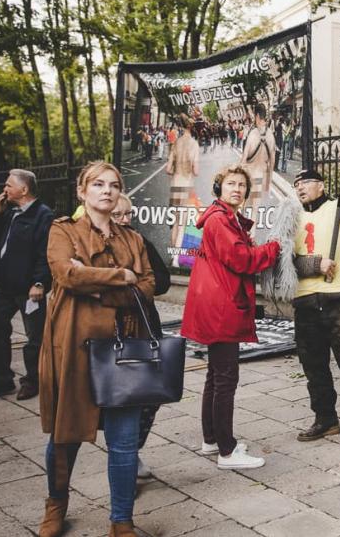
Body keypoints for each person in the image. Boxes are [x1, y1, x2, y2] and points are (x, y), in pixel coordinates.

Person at [38, 161, 155, 537]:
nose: (107, 190)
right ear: (82, 191)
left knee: (123, 442)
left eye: (114, 185)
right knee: (65, 434)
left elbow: (149, 286)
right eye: (98, 184)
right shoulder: (63, 230)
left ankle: (122, 521)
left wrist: (95, 281)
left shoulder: (133, 239)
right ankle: (55, 506)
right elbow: (66, 274)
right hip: (74, 346)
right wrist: (121, 277)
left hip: (124, 347)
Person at [181, 164, 280, 470]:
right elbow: (242, 260)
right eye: (231, 184)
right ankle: (227, 450)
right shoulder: (220, 220)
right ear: (220, 188)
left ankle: (211, 440)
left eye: (241, 186)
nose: (237, 189)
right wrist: (274, 248)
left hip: (214, 305)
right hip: (222, 306)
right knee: (225, 379)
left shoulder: (223, 217)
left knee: (215, 375)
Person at [291, 149, 340, 452]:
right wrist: (315, 265)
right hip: (306, 303)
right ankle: (326, 419)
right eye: (296, 184)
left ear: (321, 185)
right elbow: (284, 261)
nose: (300, 187)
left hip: (339, 302)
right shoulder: (292, 217)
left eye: (307, 182)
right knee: (314, 368)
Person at [112, 193, 171, 479]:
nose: (124, 221)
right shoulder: (95, 245)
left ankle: (133, 449)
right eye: (117, 215)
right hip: (113, 332)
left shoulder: (139, 241)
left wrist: (135, 284)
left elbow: (163, 280)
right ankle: (125, 458)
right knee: (124, 398)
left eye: (128, 215)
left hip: (146, 326)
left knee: (152, 394)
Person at [0, 169, 54, 400]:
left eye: (8, 185)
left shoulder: (43, 215)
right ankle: (2, 380)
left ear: (23, 190)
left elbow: (46, 253)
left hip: (28, 289)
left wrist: (39, 282)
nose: (4, 189)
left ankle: (32, 381)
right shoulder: (9, 212)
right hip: (4, 287)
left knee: (34, 337)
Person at [165, 114, 200, 252]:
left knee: (174, 222)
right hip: (186, 186)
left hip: (175, 185)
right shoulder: (194, 144)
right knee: (182, 224)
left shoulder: (176, 143)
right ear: (191, 127)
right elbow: (196, 171)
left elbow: (168, 169)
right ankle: (175, 258)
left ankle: (173, 251)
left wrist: (176, 168)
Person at [239, 103, 275, 214]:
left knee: (242, 210)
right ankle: (252, 231)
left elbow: (244, 160)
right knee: (254, 213)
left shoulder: (253, 134)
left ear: (258, 116)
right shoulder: (271, 136)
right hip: (260, 179)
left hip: (249, 179)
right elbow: (272, 162)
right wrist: (268, 183)